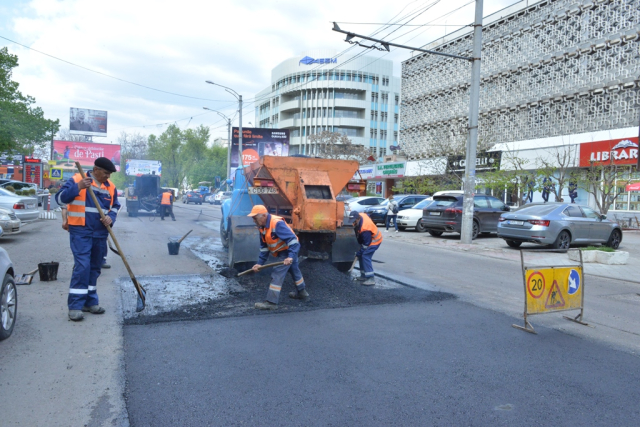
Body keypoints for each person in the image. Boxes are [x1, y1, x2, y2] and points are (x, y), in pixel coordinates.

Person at [55, 157, 120, 321]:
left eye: (110, 174)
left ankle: (90, 302)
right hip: (81, 230)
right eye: (106, 173)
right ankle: (75, 306)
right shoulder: (78, 180)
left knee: (94, 268)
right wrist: (78, 187)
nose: (108, 177)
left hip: (100, 232)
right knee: (82, 266)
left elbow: (115, 207)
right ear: (95, 169)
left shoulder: (110, 187)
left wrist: (111, 217)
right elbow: (60, 199)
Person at [248, 205, 308, 310]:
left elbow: (294, 241)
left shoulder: (277, 223)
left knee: (277, 273)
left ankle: (271, 302)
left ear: (263, 215)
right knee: (294, 270)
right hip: (284, 253)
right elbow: (264, 248)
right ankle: (302, 292)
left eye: (255, 218)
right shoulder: (262, 227)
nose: (254, 221)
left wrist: (290, 256)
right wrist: (259, 264)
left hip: (287, 252)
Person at [349, 211, 383, 286]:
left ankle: (371, 278)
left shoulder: (365, 228)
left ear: (358, 219)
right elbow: (367, 214)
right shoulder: (361, 215)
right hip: (368, 239)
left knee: (365, 256)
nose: (353, 223)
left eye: (354, 221)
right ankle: (363, 275)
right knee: (361, 255)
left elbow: (366, 244)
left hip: (375, 240)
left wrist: (359, 252)